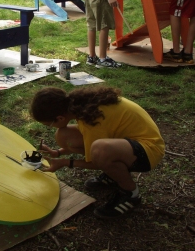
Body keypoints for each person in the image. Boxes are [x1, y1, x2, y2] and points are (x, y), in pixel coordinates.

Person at [30, 86, 165, 219]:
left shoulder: (91, 119)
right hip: (130, 144)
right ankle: (113, 174)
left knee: (100, 150)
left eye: (49, 124)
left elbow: (95, 161)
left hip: (148, 152)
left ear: (60, 118)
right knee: (64, 136)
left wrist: (66, 162)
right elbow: (89, 140)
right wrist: (57, 153)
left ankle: (131, 193)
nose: (51, 127)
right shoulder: (82, 106)